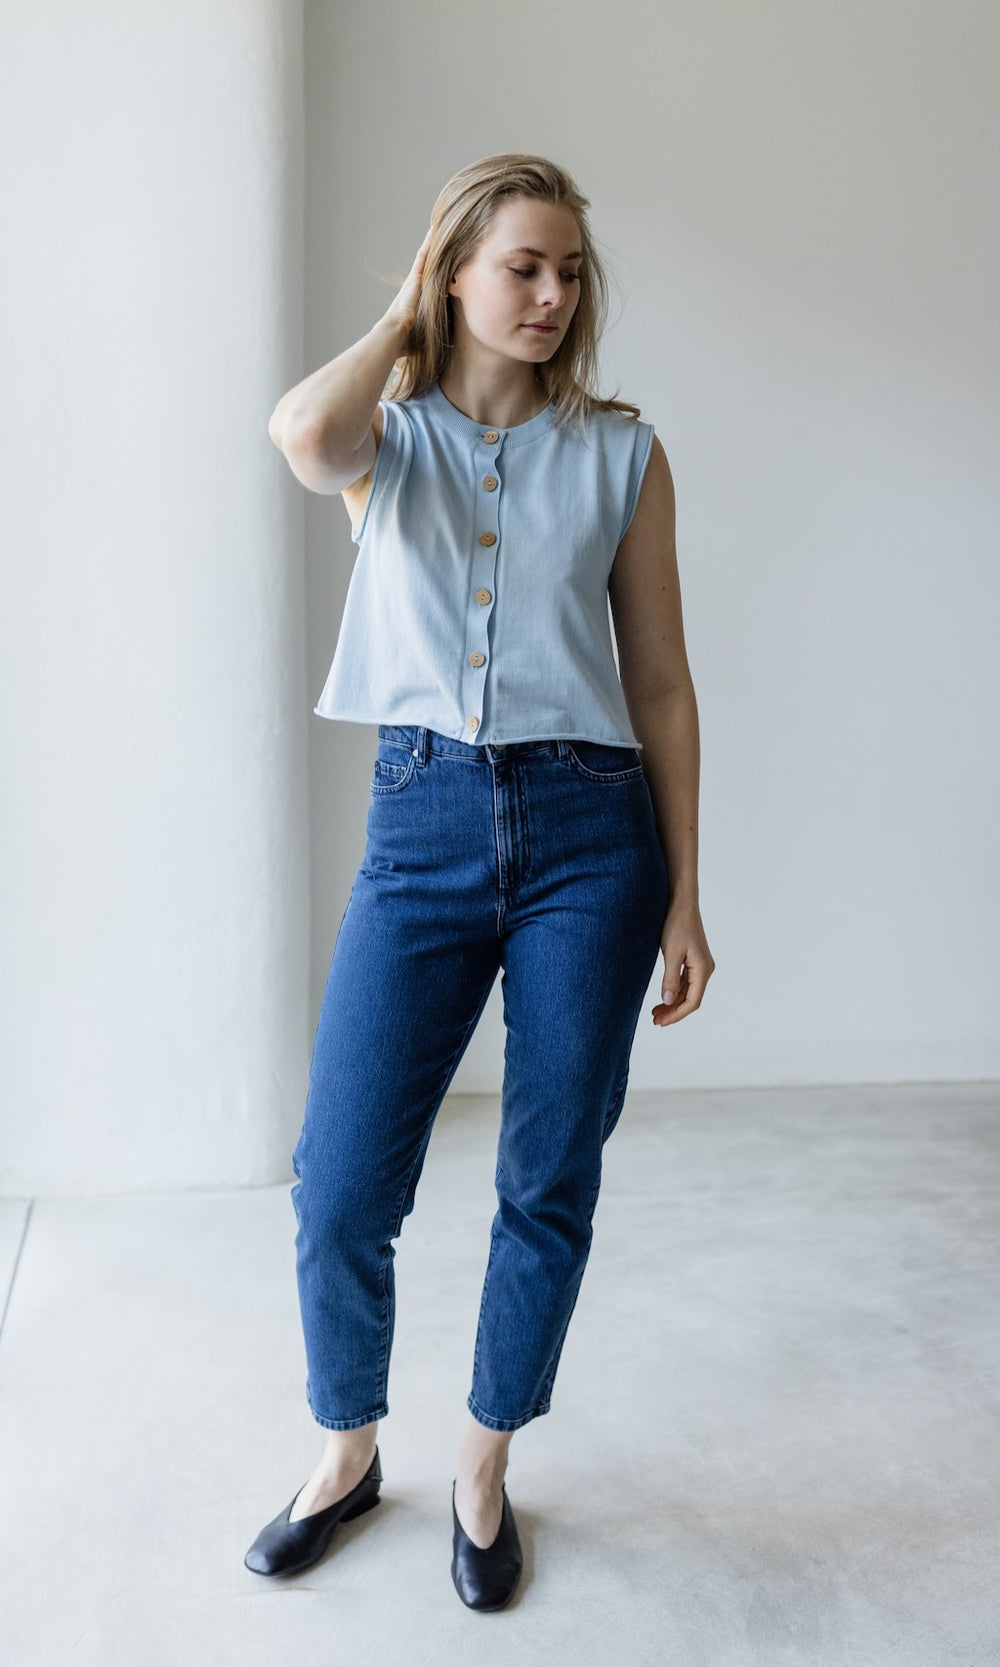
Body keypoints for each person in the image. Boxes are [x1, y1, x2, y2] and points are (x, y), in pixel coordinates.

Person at [244, 152, 715, 1610]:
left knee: (547, 1175)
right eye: (523, 265)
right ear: (454, 273)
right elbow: (299, 431)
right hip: (423, 824)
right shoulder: (383, 441)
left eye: (571, 271)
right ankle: (346, 1450)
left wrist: (686, 895)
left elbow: (661, 684)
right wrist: (405, 315)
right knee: (340, 1184)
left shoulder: (623, 455)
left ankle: (485, 1464)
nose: (554, 294)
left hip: (594, 838)